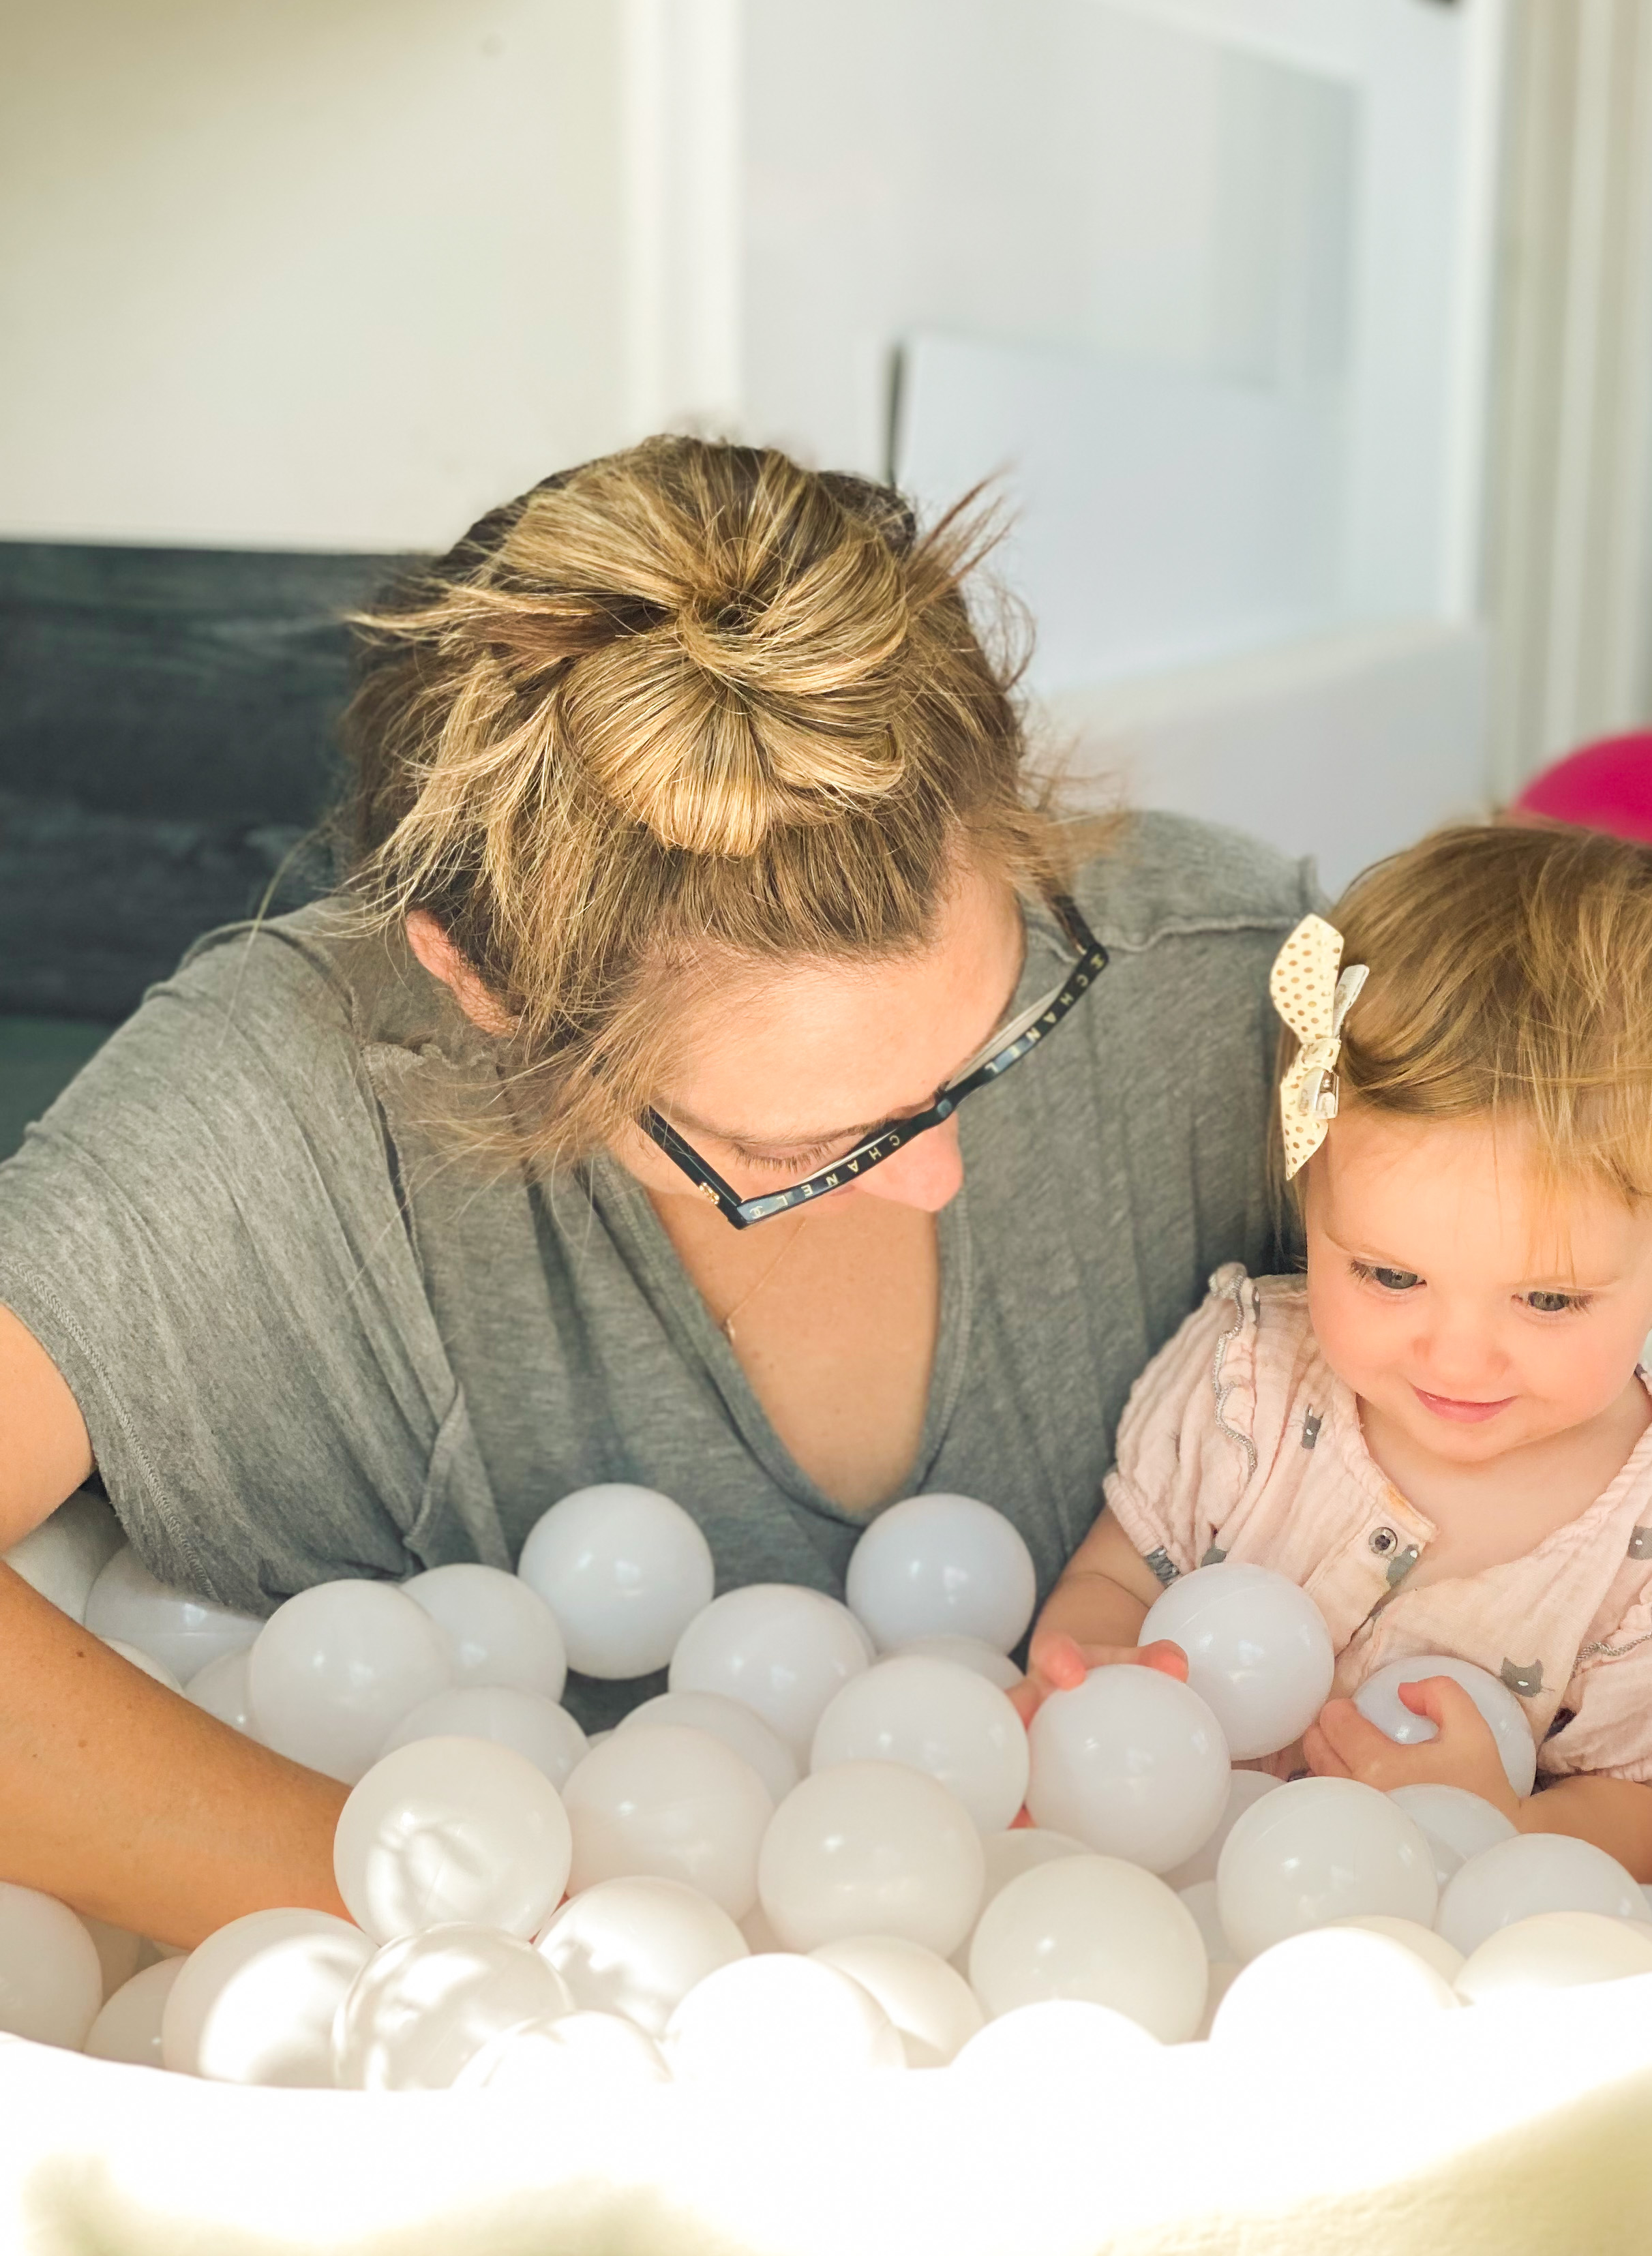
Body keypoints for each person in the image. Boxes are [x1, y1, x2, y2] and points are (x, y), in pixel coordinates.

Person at [0, 436, 1315, 1949]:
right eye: (797, 1149)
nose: (946, 1173)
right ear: (478, 986)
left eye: (997, 1035)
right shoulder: (291, 1111)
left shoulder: (1224, 985)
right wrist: (484, 1926)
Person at [1024, 822, 1652, 1887]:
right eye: (1389, 1276)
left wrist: (1506, 1831)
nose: (1457, 1354)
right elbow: (1117, 1574)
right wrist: (1100, 1667)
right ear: (1313, 1196)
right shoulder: (1248, 1391)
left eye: (1547, 1298)